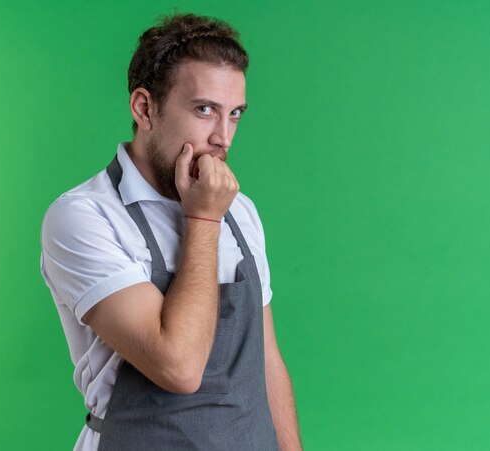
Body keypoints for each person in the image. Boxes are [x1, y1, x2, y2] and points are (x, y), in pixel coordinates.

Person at [40, 12, 302, 451]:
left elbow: (266, 360)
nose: (223, 138)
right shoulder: (85, 217)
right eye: (204, 110)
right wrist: (203, 220)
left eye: (234, 114)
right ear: (145, 108)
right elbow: (178, 367)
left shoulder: (241, 211)